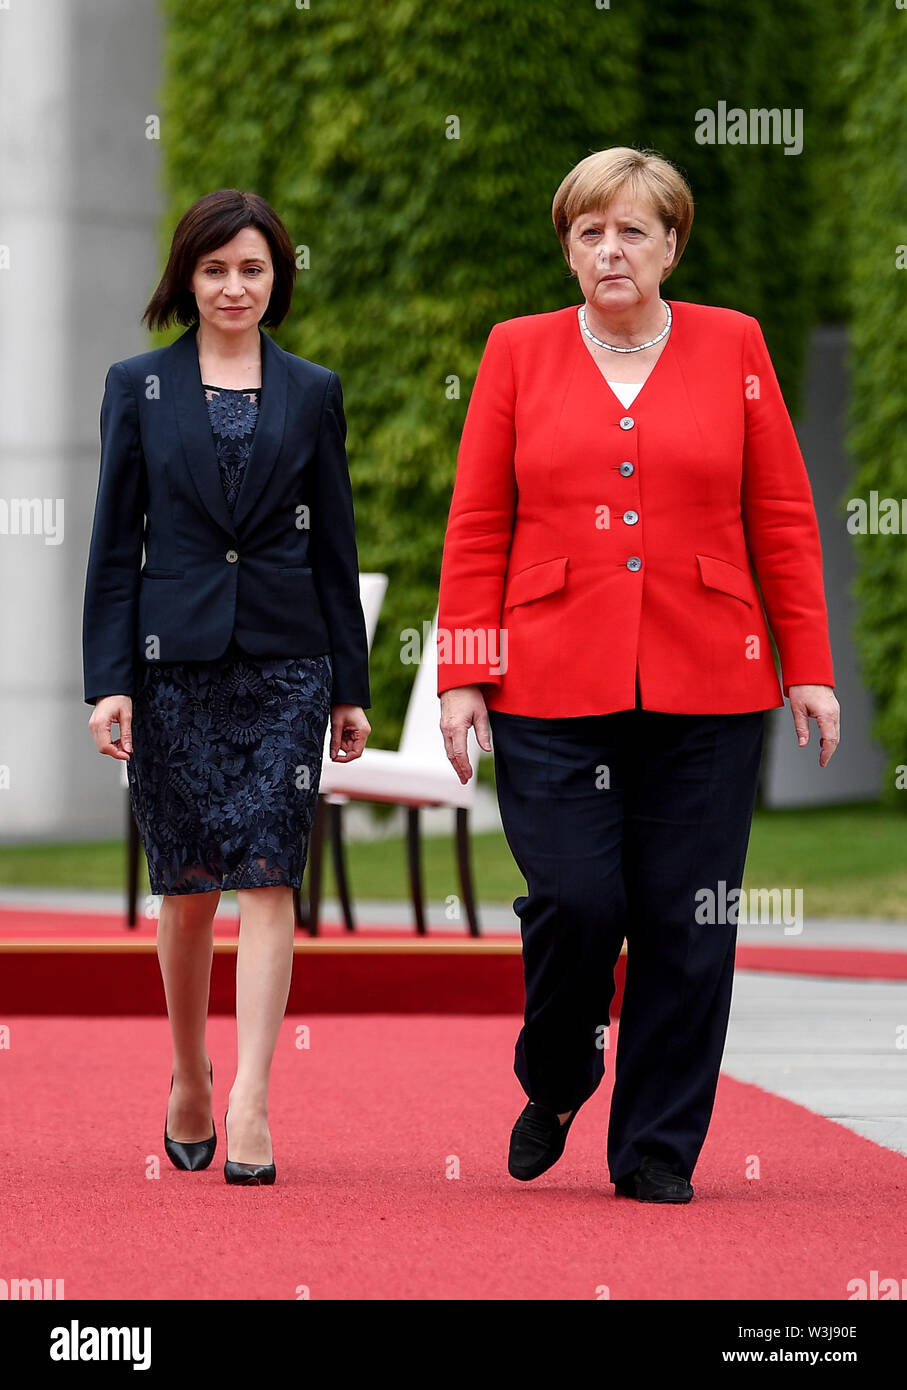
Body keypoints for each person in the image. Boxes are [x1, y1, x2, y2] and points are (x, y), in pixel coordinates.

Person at [437, 147, 840, 1203]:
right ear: (567, 248)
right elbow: (479, 521)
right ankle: (560, 1071)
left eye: (631, 231)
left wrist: (809, 668)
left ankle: (656, 1144)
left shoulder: (733, 343)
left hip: (709, 677)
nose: (609, 249)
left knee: (688, 915)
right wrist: (460, 673)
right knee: (574, 898)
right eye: (588, 232)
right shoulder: (516, 351)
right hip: (548, 681)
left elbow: (783, 517)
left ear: (670, 245)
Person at [83, 189, 371, 1186]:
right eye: (215, 269)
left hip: (289, 663)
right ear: (186, 277)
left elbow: (335, 544)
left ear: (277, 277)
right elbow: (116, 548)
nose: (235, 286)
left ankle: (250, 1094)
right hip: (174, 667)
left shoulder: (313, 388)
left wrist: (349, 685)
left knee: (267, 874)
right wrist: (108, 681)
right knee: (188, 889)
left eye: (253, 268)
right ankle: (188, 1076)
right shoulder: (138, 385)